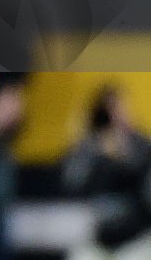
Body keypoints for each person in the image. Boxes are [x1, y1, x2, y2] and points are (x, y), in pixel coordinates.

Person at [62, 86, 151, 260]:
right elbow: (72, 181)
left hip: (137, 238)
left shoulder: (142, 147)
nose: (117, 116)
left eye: (120, 108)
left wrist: (126, 156)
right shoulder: (90, 148)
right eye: (110, 111)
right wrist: (89, 148)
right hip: (98, 240)